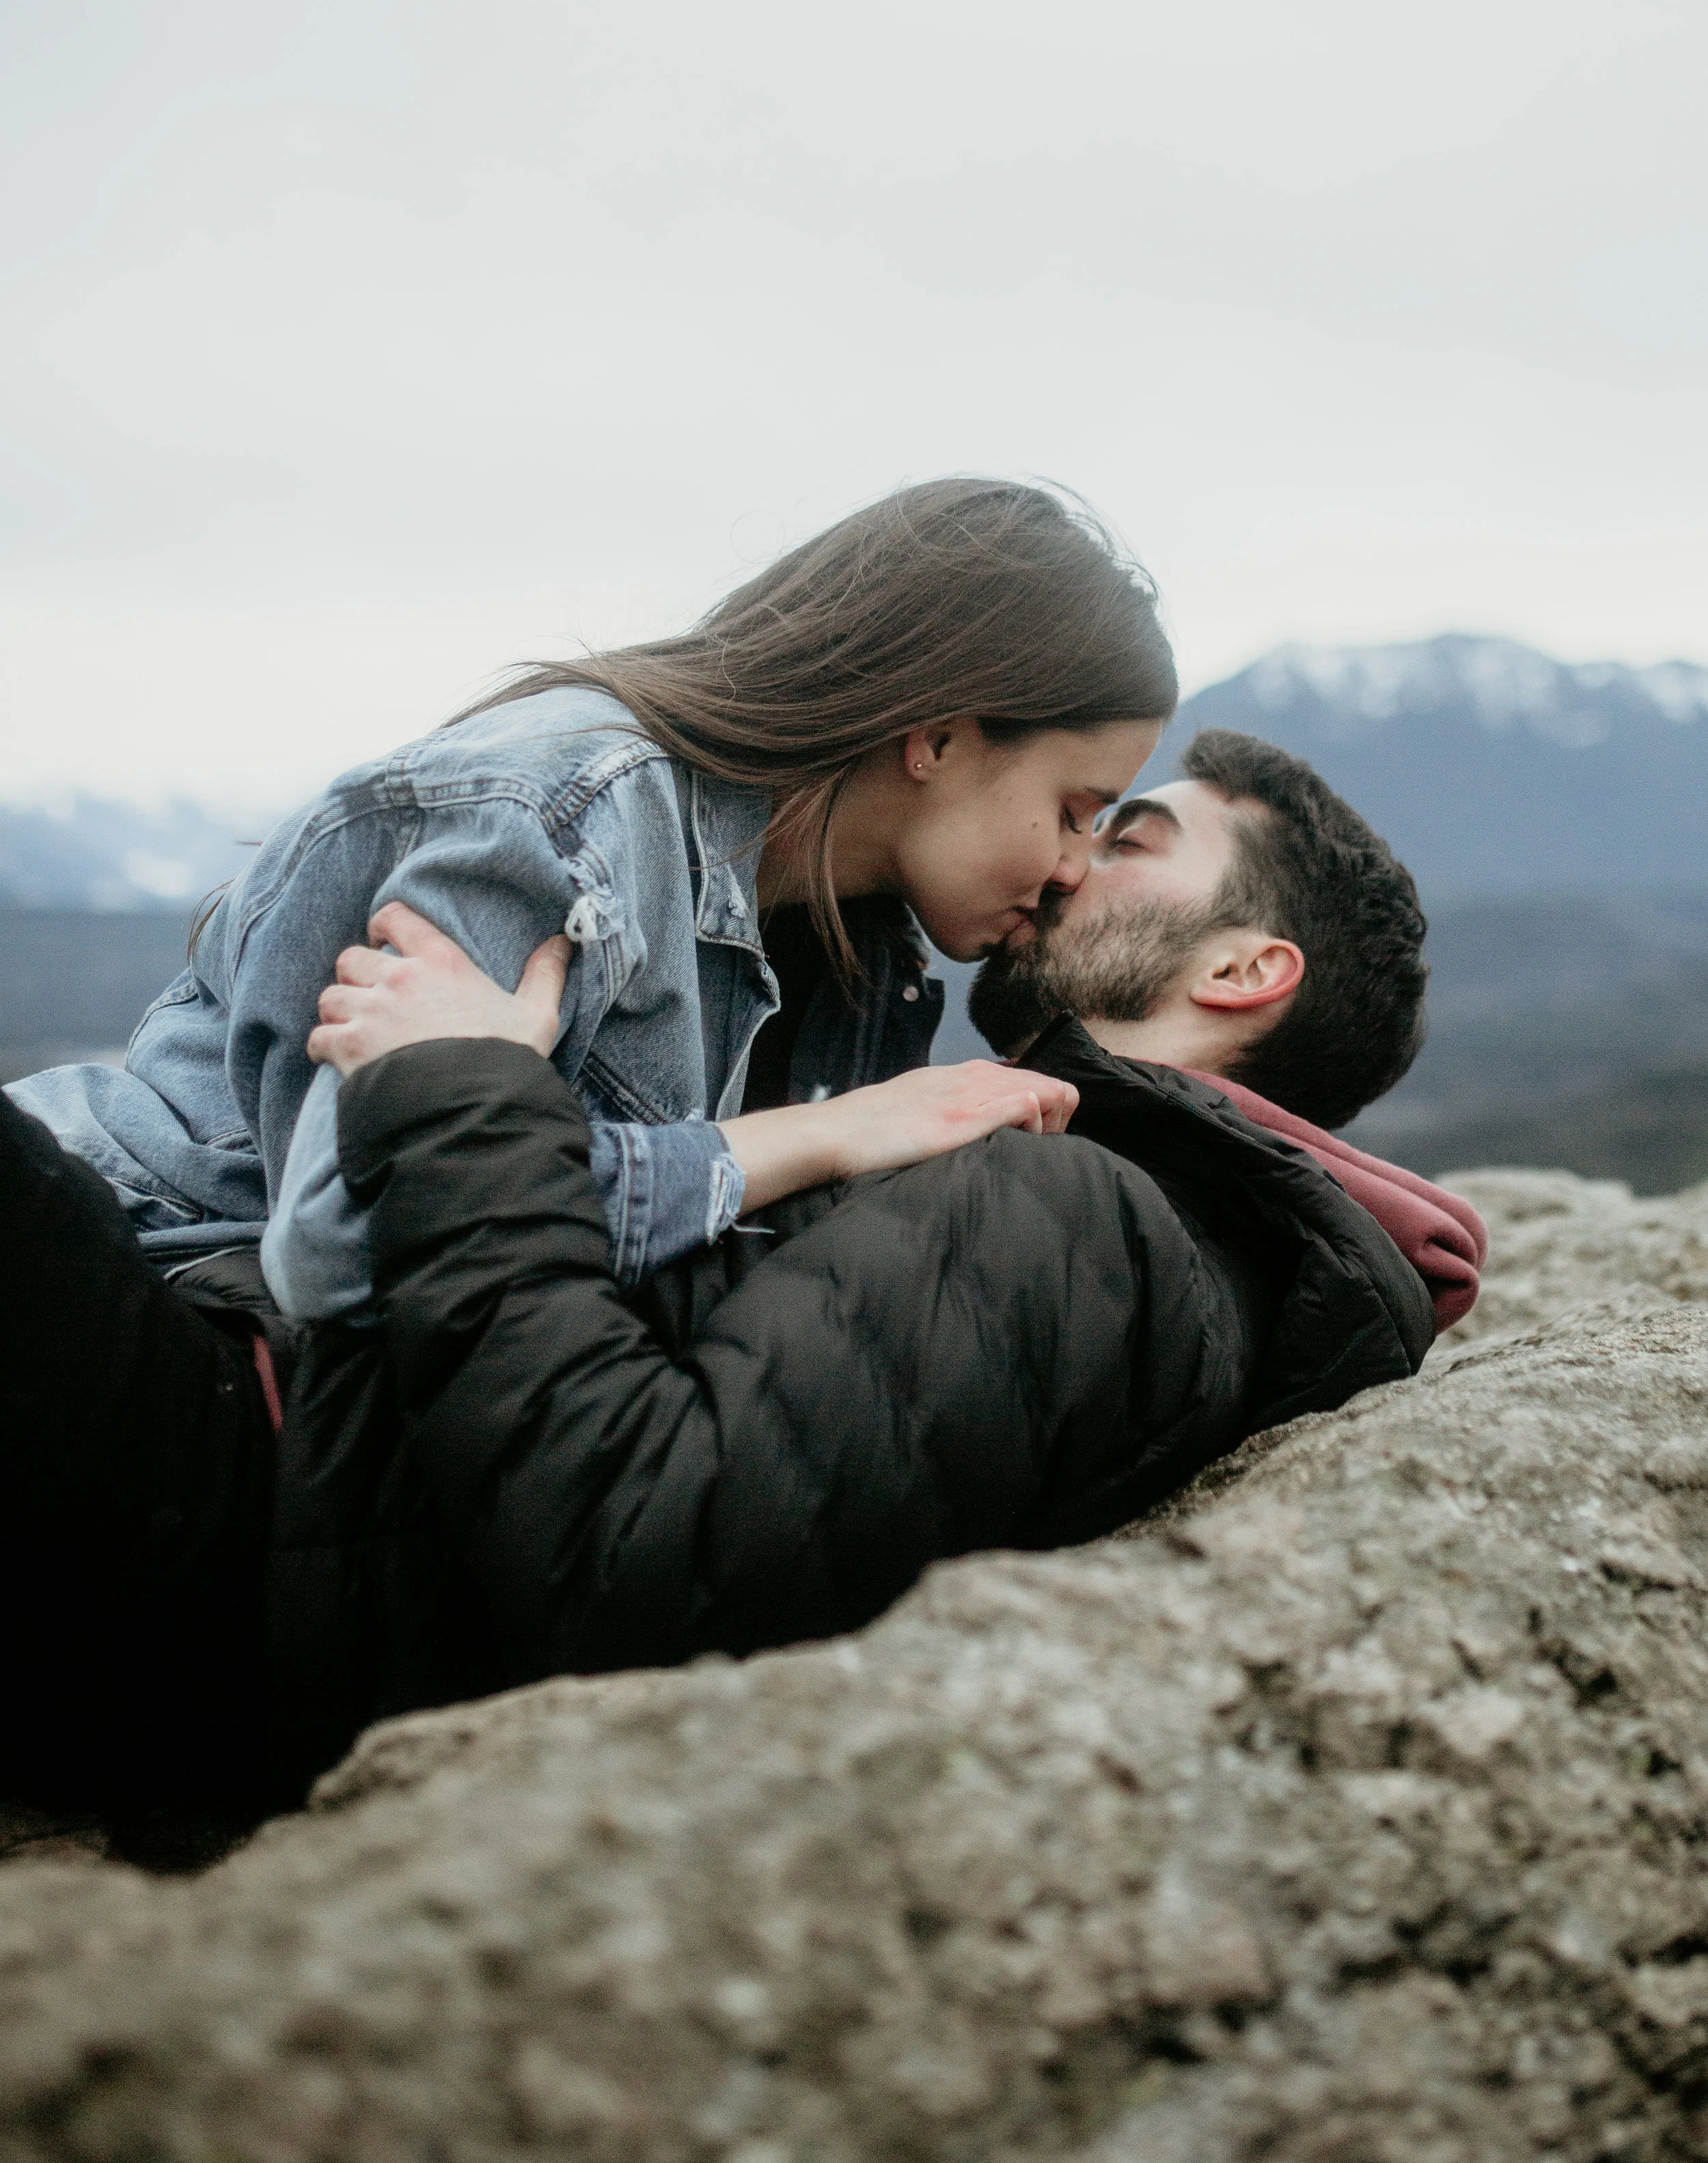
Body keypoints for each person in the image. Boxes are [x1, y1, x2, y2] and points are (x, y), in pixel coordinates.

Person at [0, 732, 1483, 1833]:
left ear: (1241, 972)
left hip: (240, 1532)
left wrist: (461, 1090)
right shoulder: (1100, 1206)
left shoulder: (1086, 1220)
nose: (1070, 860)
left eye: (1132, 837)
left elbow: (628, 1552)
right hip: (272, 1518)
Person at [8, 479, 1174, 1316]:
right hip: (120, 1289)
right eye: (1076, 807)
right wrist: (816, 1136)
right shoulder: (562, 815)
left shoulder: (870, 964)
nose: (1079, 864)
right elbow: (346, 1244)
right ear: (941, 736)